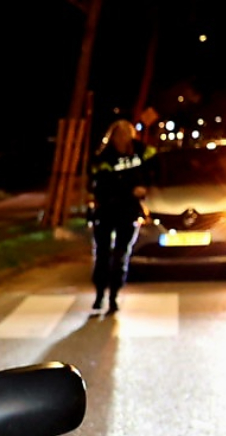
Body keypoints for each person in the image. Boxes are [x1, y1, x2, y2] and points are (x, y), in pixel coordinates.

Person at [87, 119, 155, 315]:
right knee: (102, 254)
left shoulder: (140, 152)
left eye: (127, 134)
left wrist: (146, 186)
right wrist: (129, 189)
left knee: (120, 255)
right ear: (113, 136)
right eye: (119, 134)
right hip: (106, 210)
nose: (123, 138)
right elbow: (101, 183)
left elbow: (156, 166)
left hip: (129, 211)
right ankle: (100, 294)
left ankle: (114, 297)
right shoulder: (103, 157)